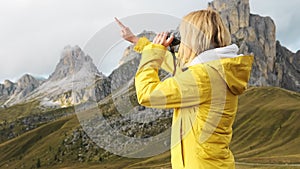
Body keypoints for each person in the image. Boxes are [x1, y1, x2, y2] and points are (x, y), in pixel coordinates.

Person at [116, 9, 254, 169]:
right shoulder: (215, 69)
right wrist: (138, 42)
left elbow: (147, 93)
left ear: (194, 38)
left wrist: (154, 53)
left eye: (184, 34)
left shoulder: (203, 77)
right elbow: (180, 67)